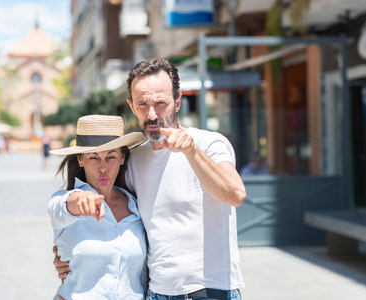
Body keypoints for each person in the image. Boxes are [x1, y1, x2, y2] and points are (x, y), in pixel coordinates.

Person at [54, 58, 247, 300]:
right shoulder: (133, 158)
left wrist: (192, 152)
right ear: (131, 106)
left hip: (211, 291)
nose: (152, 114)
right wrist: (70, 255)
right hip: (156, 293)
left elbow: (235, 195)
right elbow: (118, 221)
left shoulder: (209, 143)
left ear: (177, 102)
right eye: (143, 104)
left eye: (160, 103)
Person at [48, 115, 148, 300]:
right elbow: (62, 207)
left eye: (111, 157)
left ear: (122, 158)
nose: (103, 168)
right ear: (80, 159)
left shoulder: (138, 206)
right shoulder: (65, 200)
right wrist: (81, 200)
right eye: (94, 158)